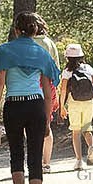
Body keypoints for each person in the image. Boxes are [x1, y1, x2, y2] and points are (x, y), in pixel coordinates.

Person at [0, 12, 62, 184]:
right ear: (34, 31)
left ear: (16, 29)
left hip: (13, 105)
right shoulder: (42, 54)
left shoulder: (4, 51)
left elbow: (0, 83)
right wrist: (48, 119)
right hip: (36, 106)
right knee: (35, 158)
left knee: (16, 155)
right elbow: (49, 92)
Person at [60, 43, 93, 171]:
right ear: (81, 56)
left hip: (74, 103)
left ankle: (79, 160)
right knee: (87, 128)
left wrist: (62, 107)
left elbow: (63, 90)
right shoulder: (88, 68)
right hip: (88, 102)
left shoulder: (67, 71)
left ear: (67, 57)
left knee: (76, 132)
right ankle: (91, 146)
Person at [31, 18, 63, 172]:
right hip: (49, 86)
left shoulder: (28, 43)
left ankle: (36, 160)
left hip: (31, 86)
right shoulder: (50, 43)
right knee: (46, 124)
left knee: (30, 126)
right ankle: (47, 162)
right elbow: (56, 67)